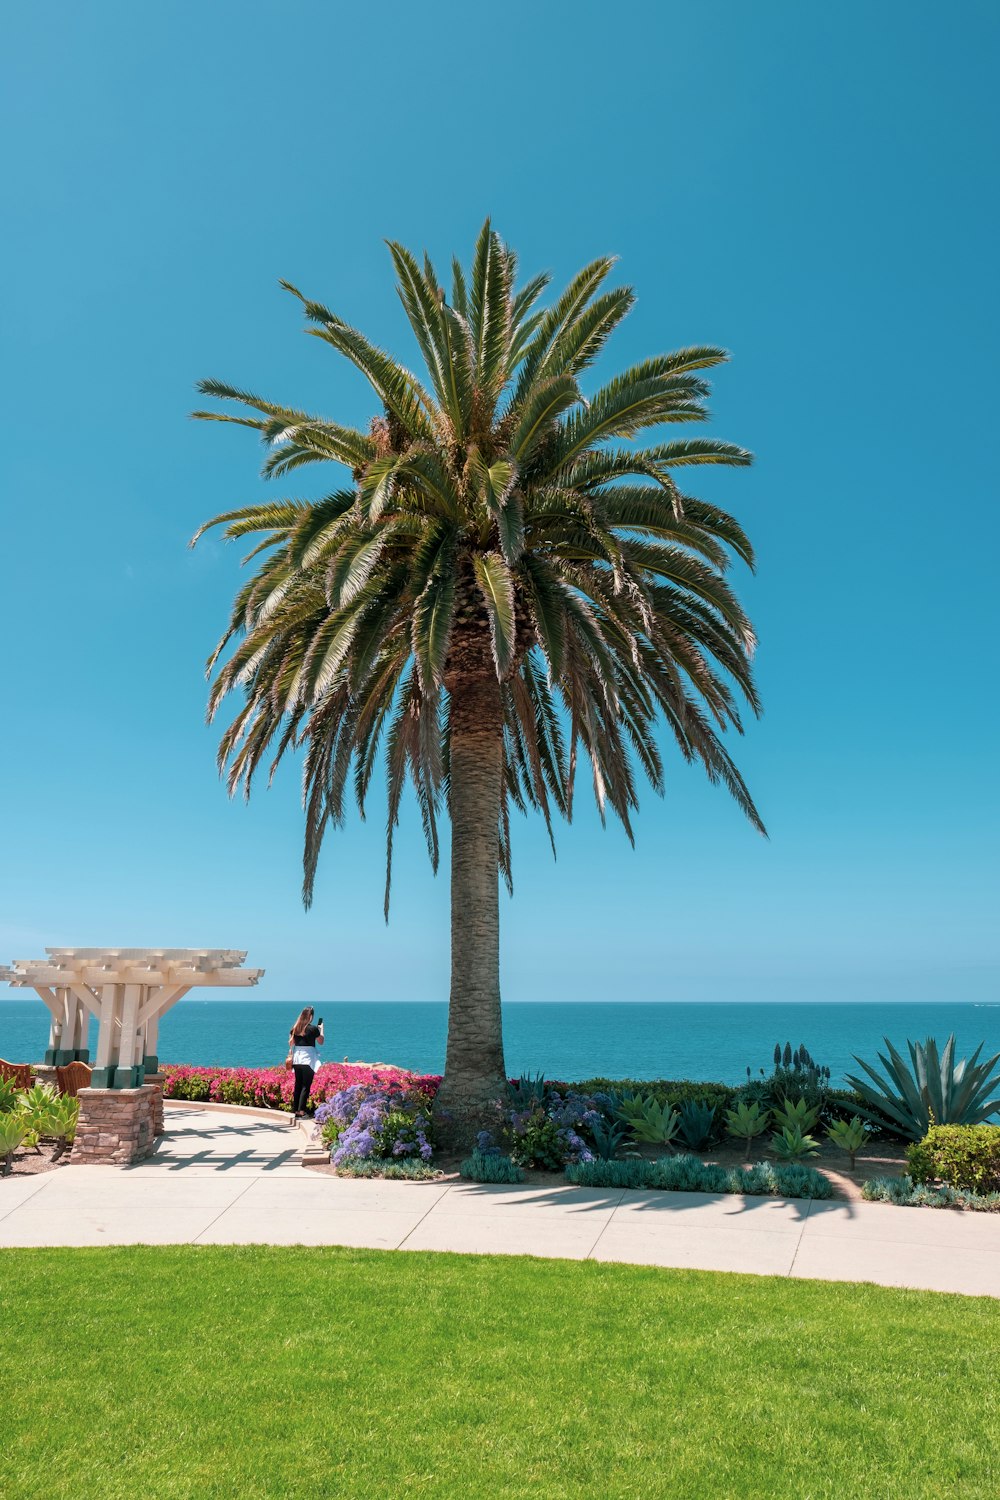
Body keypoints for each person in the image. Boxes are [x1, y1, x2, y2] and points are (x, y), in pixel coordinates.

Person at [288, 1006, 323, 1120]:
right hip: (308, 1059)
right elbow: (321, 1041)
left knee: (298, 1084)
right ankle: (302, 1111)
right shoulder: (313, 1029)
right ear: (311, 1016)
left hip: (297, 1059)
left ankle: (296, 1110)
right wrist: (321, 1029)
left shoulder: (295, 1028)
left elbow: (291, 1043)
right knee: (305, 1085)